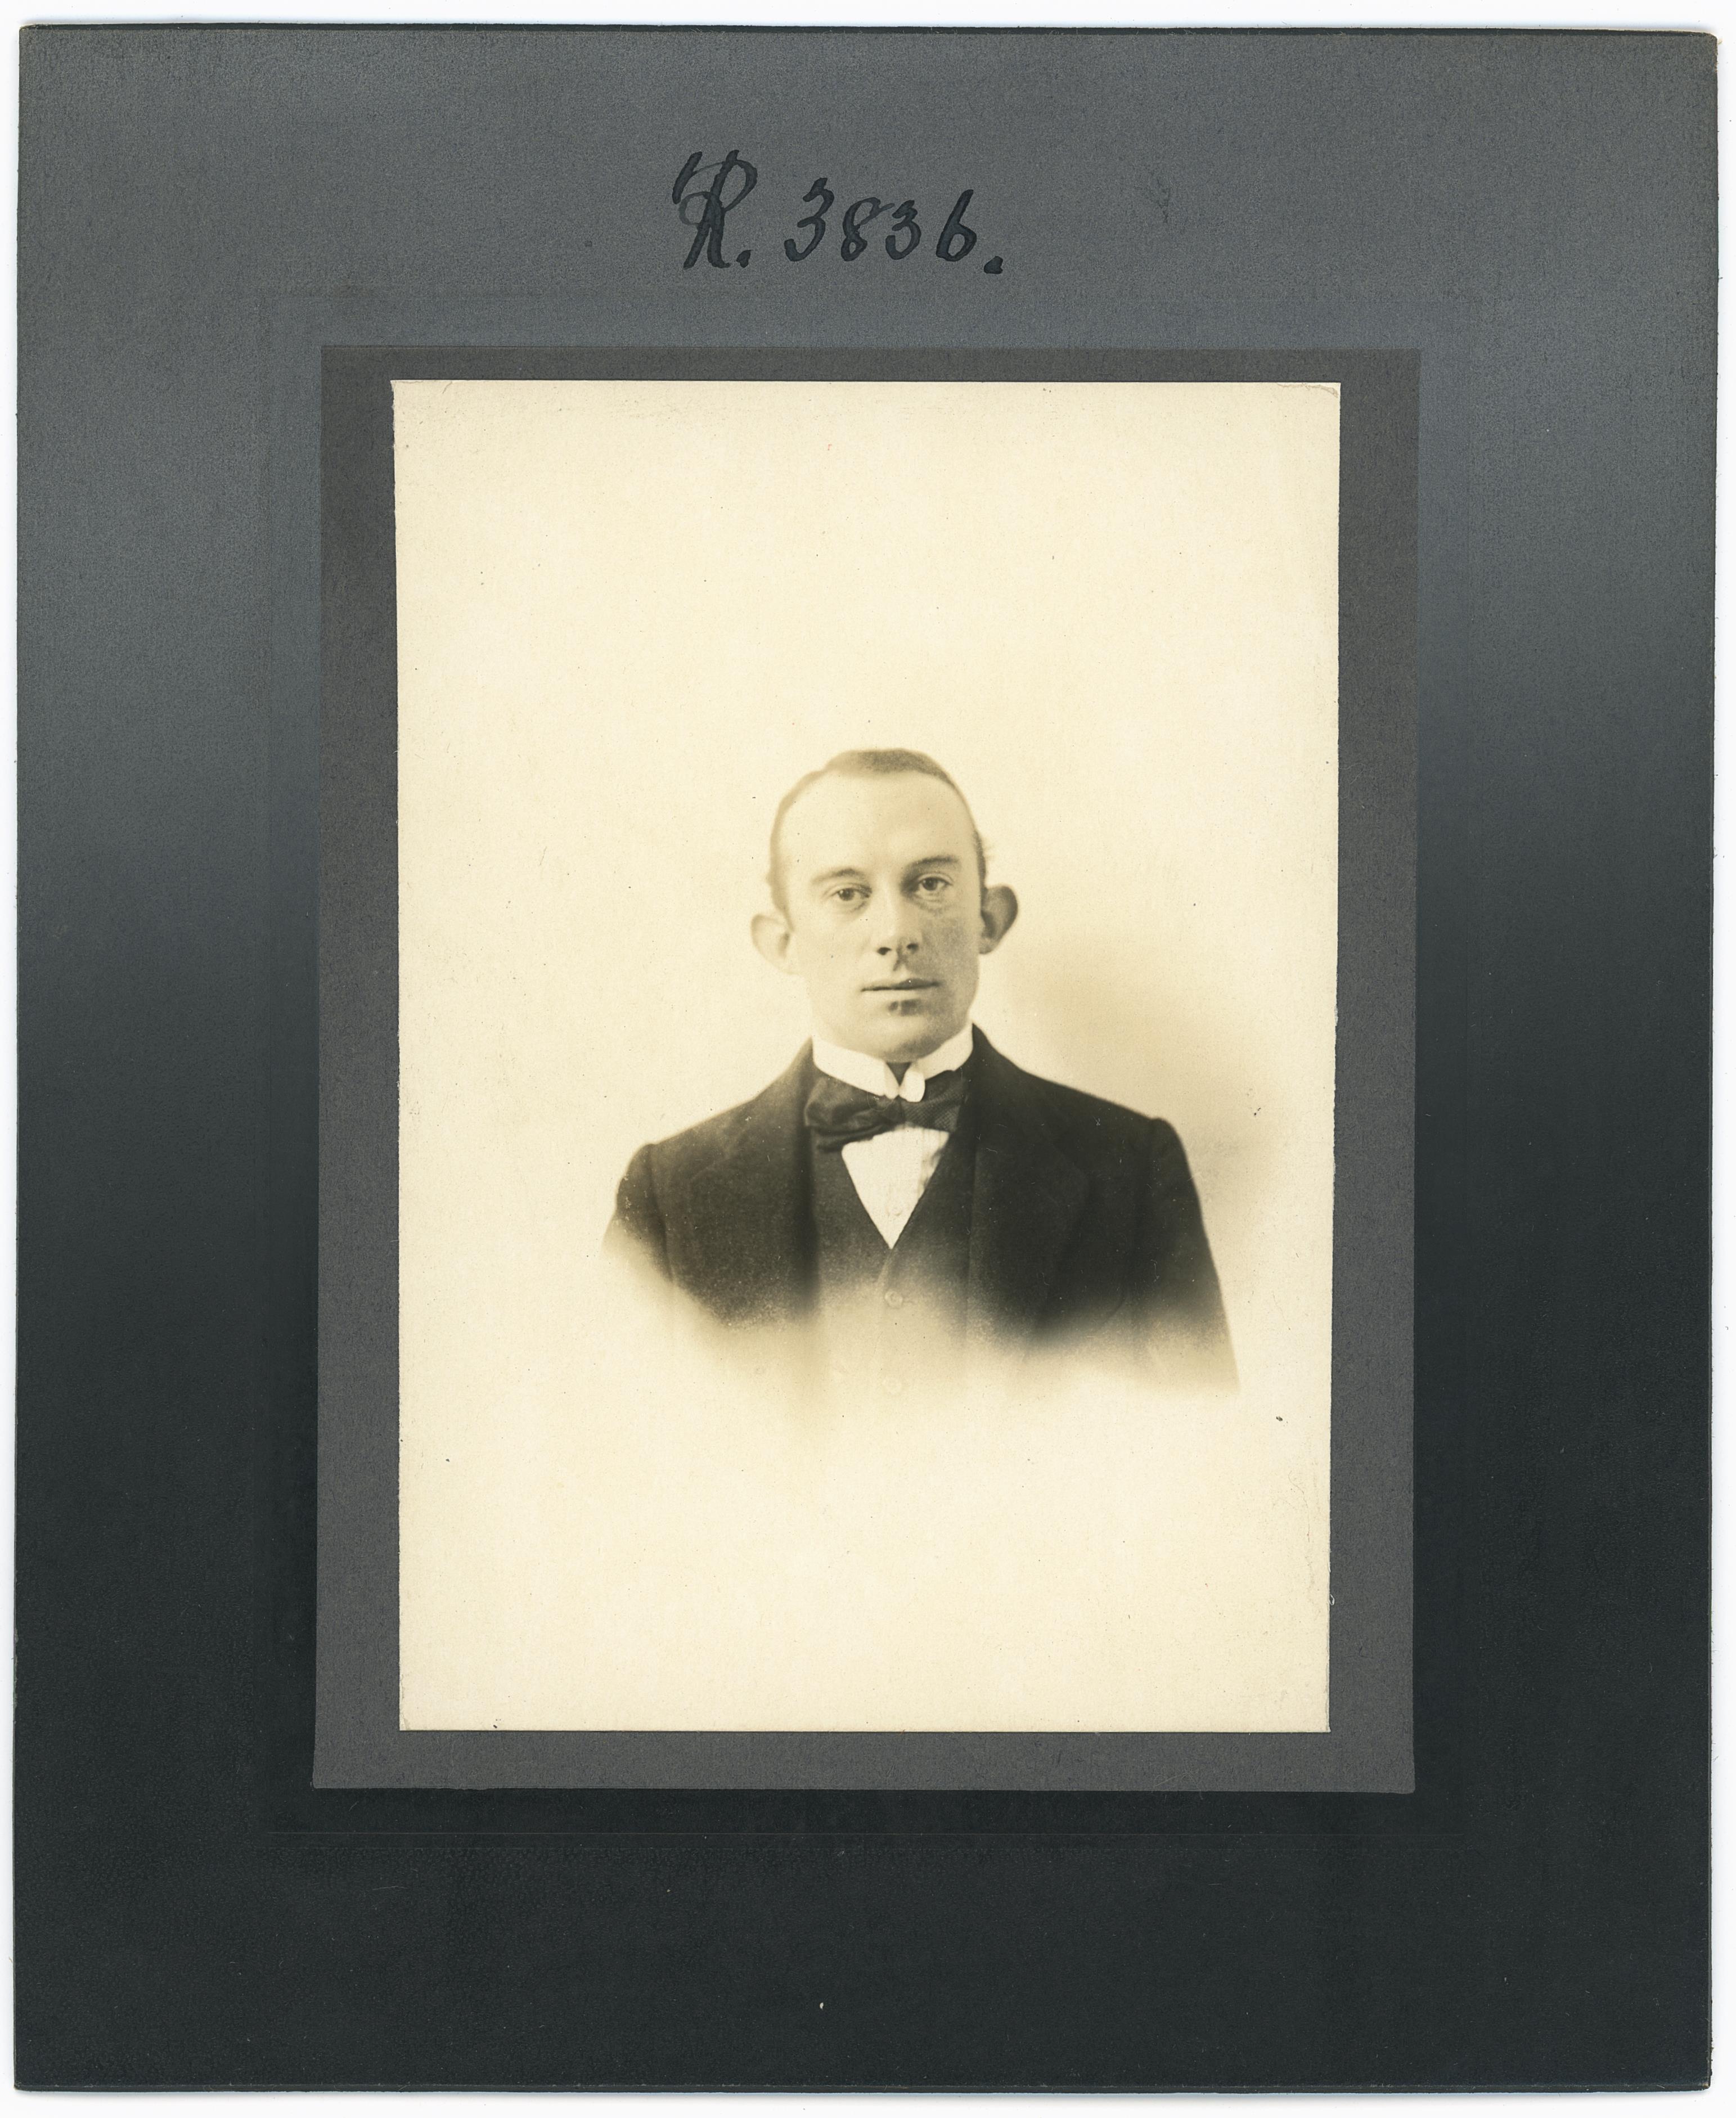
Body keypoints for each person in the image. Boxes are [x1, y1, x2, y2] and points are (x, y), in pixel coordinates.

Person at [606, 749, 1234, 1393]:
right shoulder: (666, 1193)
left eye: (930, 885)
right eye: (846, 894)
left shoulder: (1129, 1169)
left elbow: (1200, 1438)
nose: (895, 932)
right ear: (782, 942)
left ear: (988, 920)